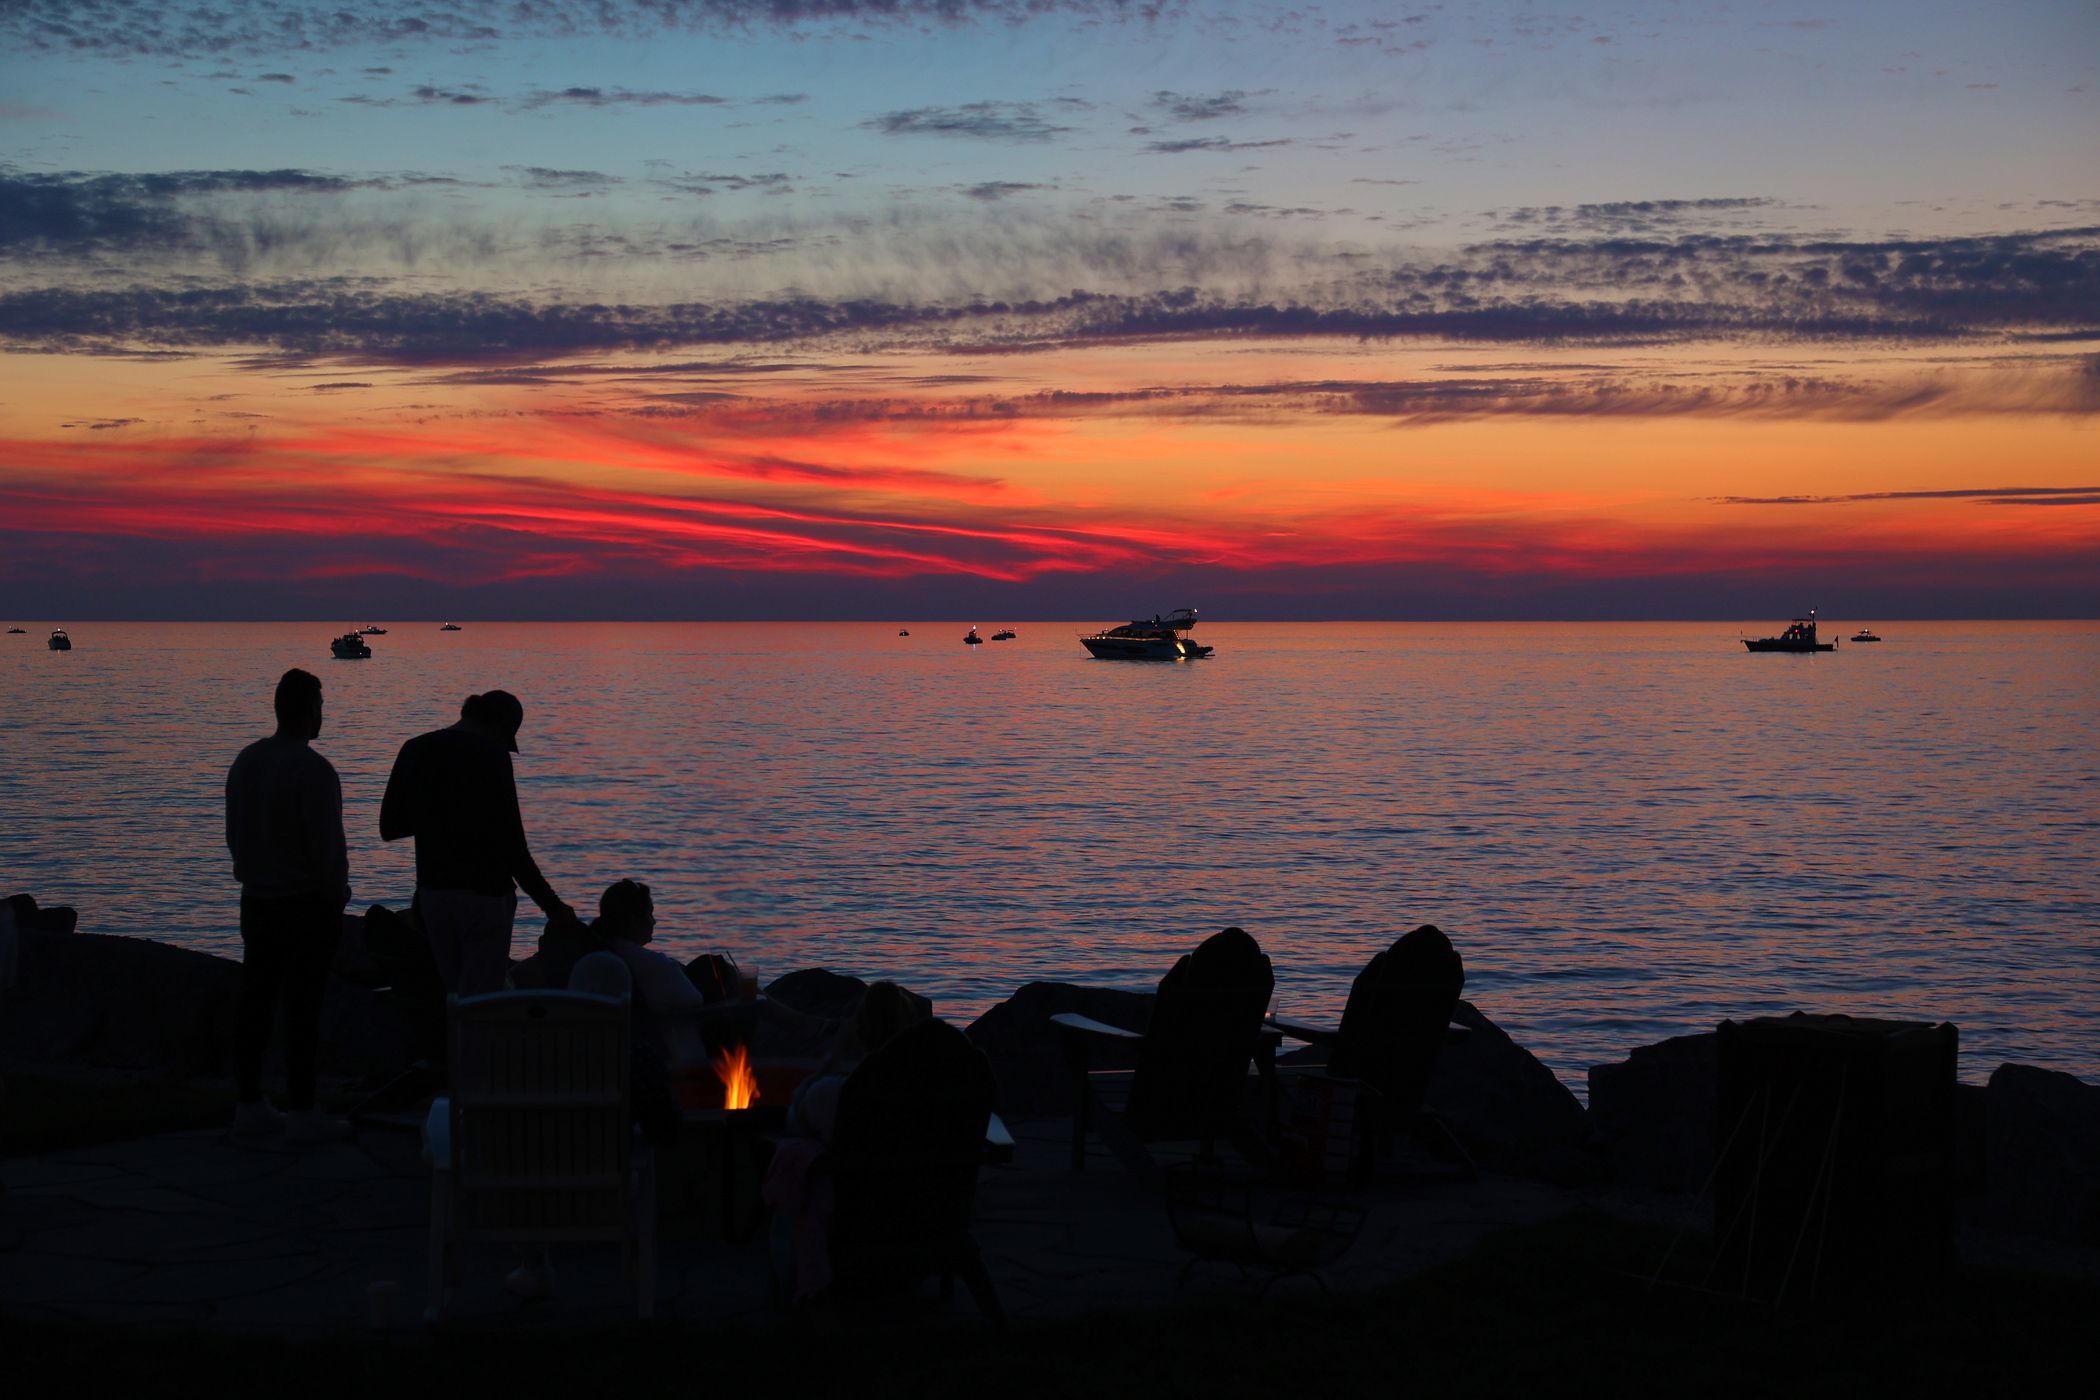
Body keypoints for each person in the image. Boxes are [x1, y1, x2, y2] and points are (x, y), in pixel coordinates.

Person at [379, 689, 580, 996]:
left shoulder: (415, 749)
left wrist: (437, 816)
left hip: (433, 896)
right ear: (499, 726)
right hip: (485, 898)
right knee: (482, 1005)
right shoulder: (492, 756)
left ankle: (451, 1044)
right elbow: (513, 846)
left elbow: (390, 827)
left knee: (452, 997)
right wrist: (552, 906)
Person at [224, 668, 352, 1145]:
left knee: (255, 1003)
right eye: (320, 705)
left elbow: (234, 832)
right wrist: (336, 894)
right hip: (304, 904)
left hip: (256, 900)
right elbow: (326, 848)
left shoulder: (247, 760)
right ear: (307, 710)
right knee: (304, 1007)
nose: (323, 714)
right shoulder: (313, 770)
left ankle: (250, 1104)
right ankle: (302, 1109)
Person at [762, 982, 926, 1300]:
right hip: (922, 1204)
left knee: (796, 1160)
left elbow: (796, 1116)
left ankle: (802, 1283)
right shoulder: (928, 1095)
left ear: (861, 1033)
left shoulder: (838, 1095)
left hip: (852, 1207)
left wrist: (832, 1058)